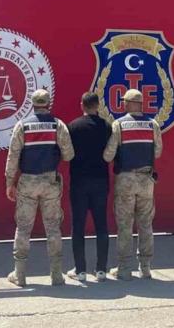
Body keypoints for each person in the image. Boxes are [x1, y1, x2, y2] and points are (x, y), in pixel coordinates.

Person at [4, 88, 74, 287]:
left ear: (32, 105)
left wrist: (9, 183)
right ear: (48, 104)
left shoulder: (22, 126)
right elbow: (69, 154)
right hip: (50, 181)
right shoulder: (58, 125)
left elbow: (13, 156)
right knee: (53, 228)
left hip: (27, 182)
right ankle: (56, 275)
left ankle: (20, 274)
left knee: (23, 228)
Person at [103, 89, 163, 281]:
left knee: (124, 225)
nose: (123, 104)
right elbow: (158, 152)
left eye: (125, 101)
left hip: (126, 180)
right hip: (146, 180)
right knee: (145, 224)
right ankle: (145, 267)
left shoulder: (119, 125)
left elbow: (108, 155)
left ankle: (124, 268)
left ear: (128, 103)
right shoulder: (152, 124)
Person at [66, 92, 112, 283]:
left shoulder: (73, 126)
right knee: (101, 225)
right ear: (98, 105)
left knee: (78, 226)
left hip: (79, 181)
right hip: (100, 180)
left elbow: (67, 153)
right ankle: (101, 270)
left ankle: (80, 270)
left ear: (82, 105)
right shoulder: (107, 127)